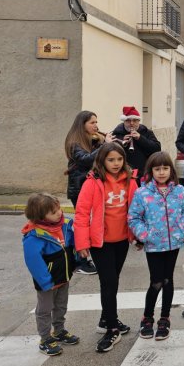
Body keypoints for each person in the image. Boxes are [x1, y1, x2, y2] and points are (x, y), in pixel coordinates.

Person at [74, 142, 139, 352]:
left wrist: (138, 236)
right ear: (102, 160)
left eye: (119, 159)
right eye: (111, 160)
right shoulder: (92, 183)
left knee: (113, 281)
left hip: (121, 241)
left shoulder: (130, 181)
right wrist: (82, 243)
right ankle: (112, 329)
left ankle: (106, 319)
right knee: (108, 283)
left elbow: (137, 210)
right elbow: (82, 214)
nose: (116, 164)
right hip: (100, 243)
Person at [128, 152, 184, 340]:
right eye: (157, 169)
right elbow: (133, 217)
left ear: (171, 170)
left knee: (168, 280)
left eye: (165, 168)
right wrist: (144, 235)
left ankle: (164, 318)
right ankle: (147, 317)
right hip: (154, 245)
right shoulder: (142, 193)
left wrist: (182, 230)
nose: (162, 172)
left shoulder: (179, 190)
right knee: (156, 281)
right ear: (151, 171)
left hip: (173, 244)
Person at [22, 193, 80, 356]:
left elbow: (73, 244)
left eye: (58, 209)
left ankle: (59, 330)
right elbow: (33, 261)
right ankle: (45, 338)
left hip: (63, 277)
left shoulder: (65, 225)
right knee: (45, 310)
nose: (59, 213)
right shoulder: (34, 236)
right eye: (53, 212)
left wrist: (78, 259)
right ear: (41, 216)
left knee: (61, 305)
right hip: (47, 282)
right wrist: (46, 282)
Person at [65, 110, 113, 275]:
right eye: (92, 122)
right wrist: (104, 146)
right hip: (78, 188)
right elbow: (86, 160)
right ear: (82, 124)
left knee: (90, 222)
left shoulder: (90, 140)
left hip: (88, 186)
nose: (96, 126)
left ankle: (85, 257)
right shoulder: (74, 143)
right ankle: (80, 262)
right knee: (82, 223)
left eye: (96, 122)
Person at [112, 106, 162, 177]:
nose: (131, 123)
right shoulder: (117, 133)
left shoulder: (147, 132)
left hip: (144, 173)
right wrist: (121, 142)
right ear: (124, 121)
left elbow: (157, 149)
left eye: (135, 120)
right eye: (128, 120)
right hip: (123, 173)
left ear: (139, 121)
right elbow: (111, 153)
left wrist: (140, 138)